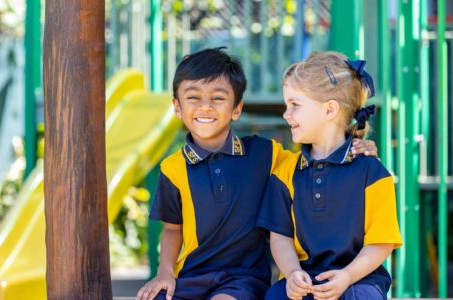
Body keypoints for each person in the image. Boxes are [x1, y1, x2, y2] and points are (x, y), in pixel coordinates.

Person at [137, 48, 378, 300]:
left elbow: (319, 159)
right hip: (191, 275)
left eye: (218, 98)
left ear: (236, 108)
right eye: (193, 98)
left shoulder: (266, 154)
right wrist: (165, 272)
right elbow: (172, 229)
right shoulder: (172, 168)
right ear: (177, 106)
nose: (205, 107)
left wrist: (356, 147)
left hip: (244, 278)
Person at [257, 51, 403, 300]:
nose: (286, 113)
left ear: (329, 110)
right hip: (304, 276)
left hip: (359, 278)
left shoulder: (373, 172)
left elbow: (382, 242)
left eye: (295, 105)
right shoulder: (284, 172)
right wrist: (292, 273)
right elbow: (279, 236)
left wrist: (347, 276)